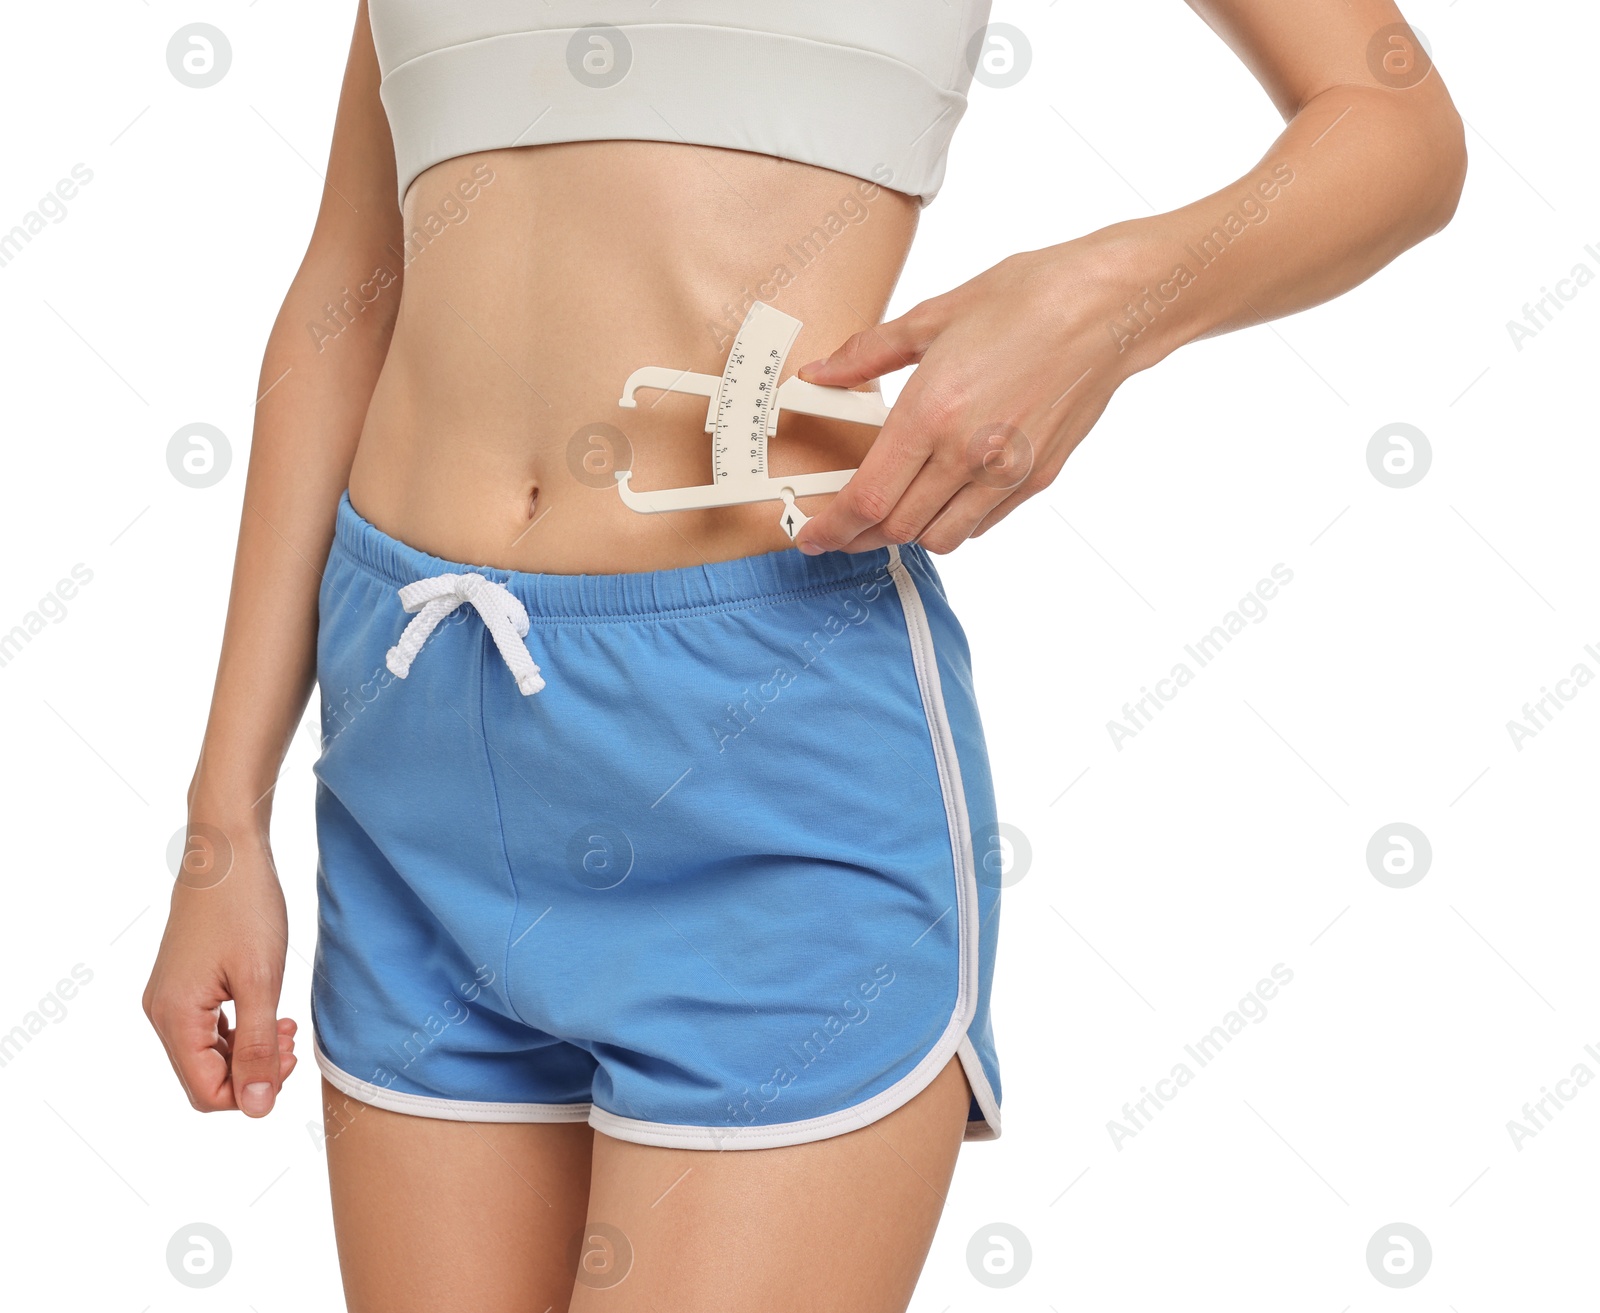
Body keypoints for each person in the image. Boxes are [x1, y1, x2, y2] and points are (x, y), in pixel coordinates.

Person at [142, 2, 1466, 1309]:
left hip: (758, 750)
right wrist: (223, 817)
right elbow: (349, 292)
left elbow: (1397, 128)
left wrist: (1102, 302)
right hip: (414, 739)